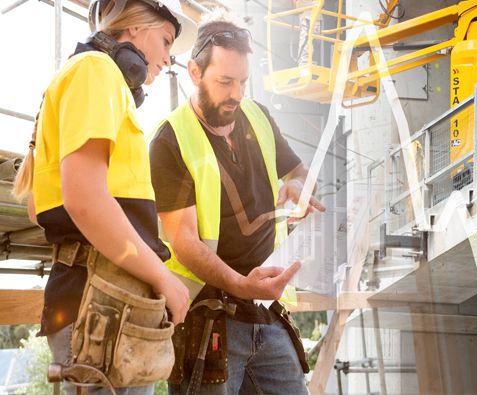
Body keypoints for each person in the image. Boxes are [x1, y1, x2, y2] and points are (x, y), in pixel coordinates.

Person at [12, 0, 195, 392]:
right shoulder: (96, 71)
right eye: (165, 41)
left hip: (104, 297)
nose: (168, 58)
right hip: (102, 300)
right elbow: (85, 201)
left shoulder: (84, 76)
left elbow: (40, 205)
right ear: (133, 27)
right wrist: (163, 277)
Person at [149, 11, 324, 395]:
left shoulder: (257, 116)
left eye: (243, 82)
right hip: (208, 317)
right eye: (225, 82)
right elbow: (185, 242)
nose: (237, 94)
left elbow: (298, 172)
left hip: (267, 314)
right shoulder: (169, 141)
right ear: (194, 72)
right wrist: (242, 285)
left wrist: (299, 185)